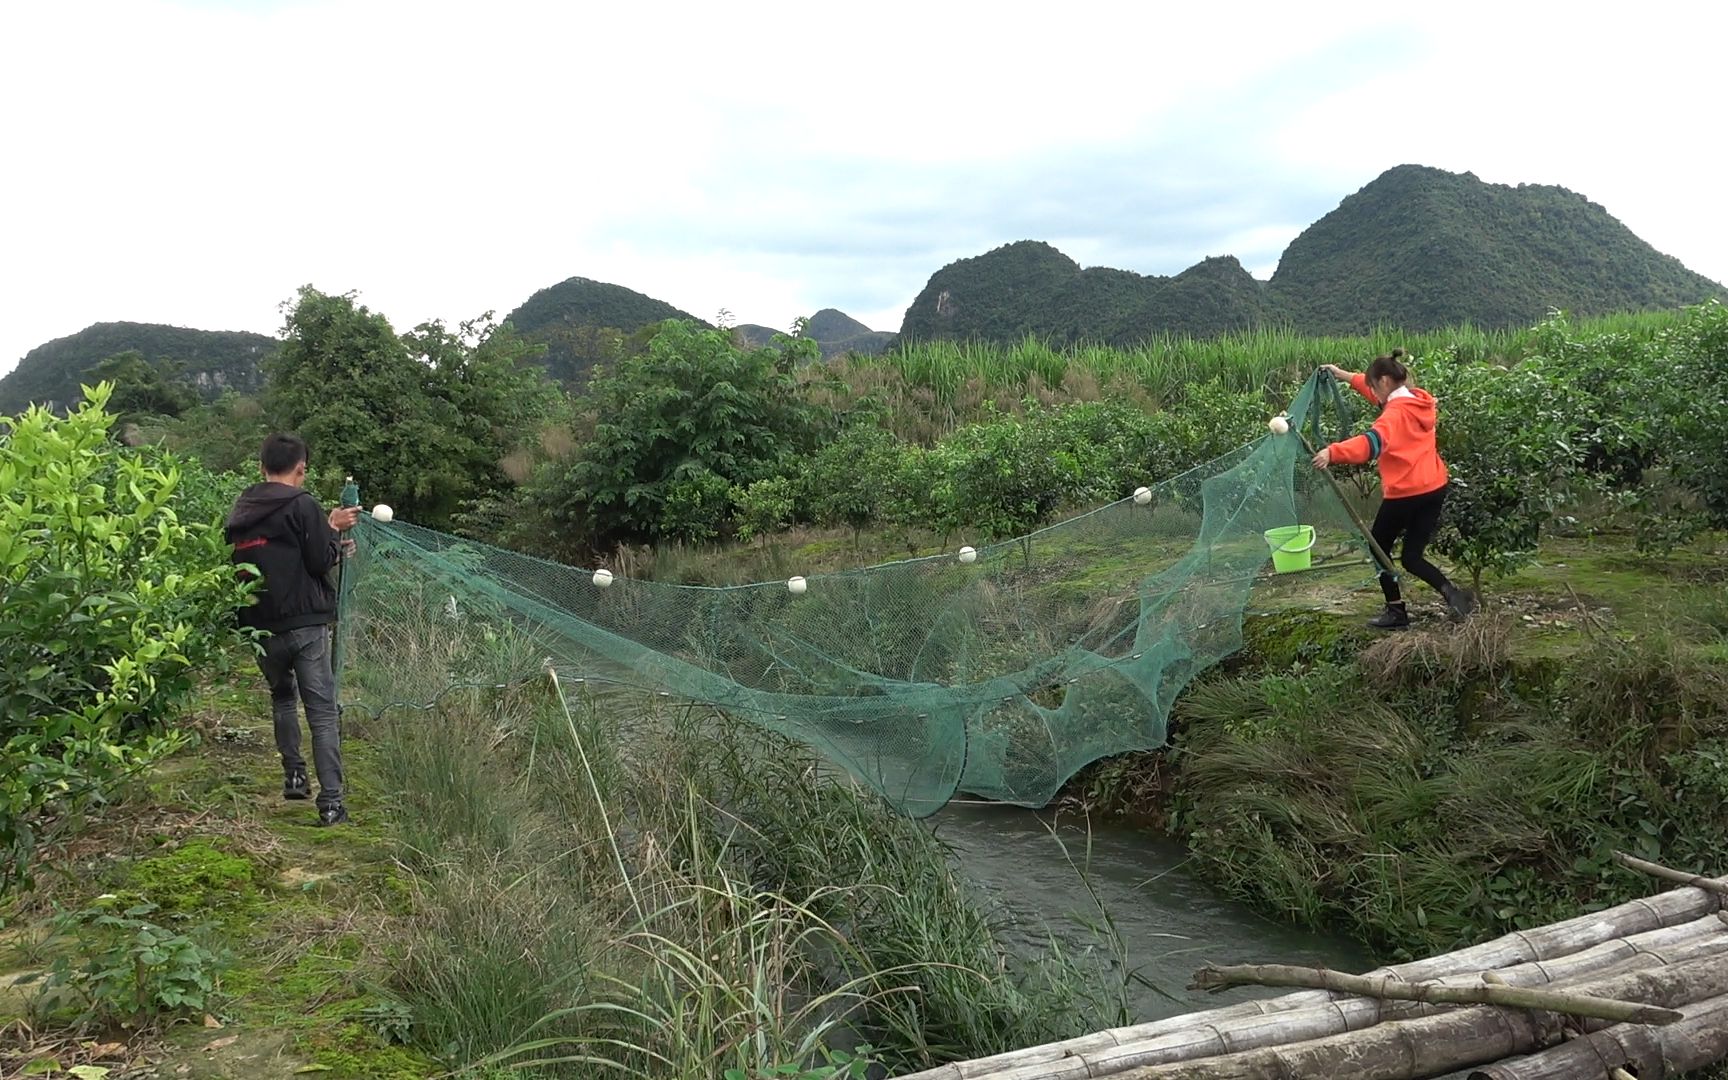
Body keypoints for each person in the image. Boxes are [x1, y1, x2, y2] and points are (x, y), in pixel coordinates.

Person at [225, 434, 361, 824]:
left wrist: (330, 540)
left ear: (260, 467)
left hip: (259, 624)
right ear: (301, 468)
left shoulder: (241, 510)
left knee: (283, 698)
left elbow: (273, 557)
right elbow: (319, 561)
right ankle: (331, 802)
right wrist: (331, 527)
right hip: (305, 624)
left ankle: (294, 776)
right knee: (321, 711)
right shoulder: (302, 505)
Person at [1311, 349, 1475, 629]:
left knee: (1378, 549)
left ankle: (1396, 612)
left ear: (1385, 382)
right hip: (1434, 487)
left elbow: (1370, 443)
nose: (1373, 392)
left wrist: (1332, 453)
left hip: (1406, 493)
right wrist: (1342, 375)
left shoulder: (1394, 415)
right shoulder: (1419, 401)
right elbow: (1373, 392)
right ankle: (1453, 595)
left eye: (1375, 385)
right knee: (1412, 556)